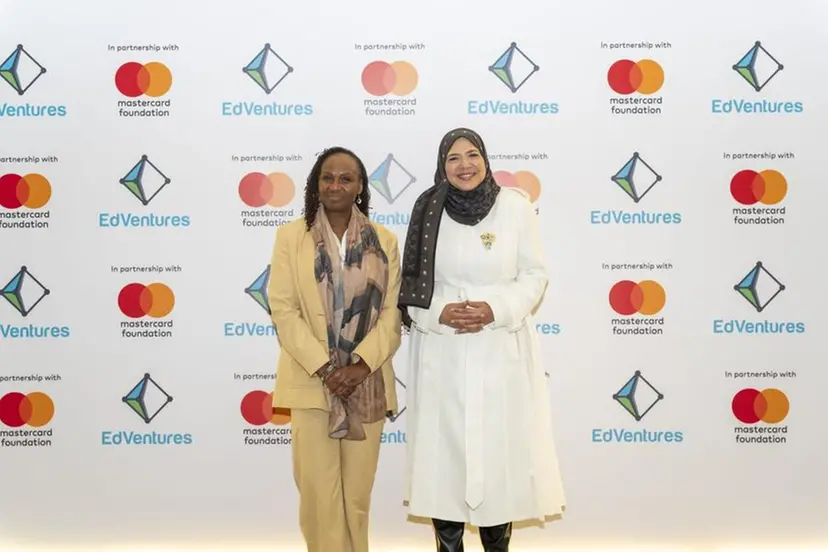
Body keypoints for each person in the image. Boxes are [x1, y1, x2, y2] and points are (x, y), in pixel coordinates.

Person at [398, 128, 566, 551]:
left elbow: (534, 275)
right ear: (442, 166)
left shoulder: (515, 207)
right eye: (453, 158)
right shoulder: (427, 209)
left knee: (499, 457)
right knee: (444, 461)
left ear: (486, 160)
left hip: (500, 347)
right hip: (442, 349)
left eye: (472, 155)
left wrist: (495, 309)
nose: (465, 165)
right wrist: (439, 312)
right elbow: (410, 286)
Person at [267, 146, 402, 552]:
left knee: (356, 499)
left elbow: (392, 314)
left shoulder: (385, 241)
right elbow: (284, 311)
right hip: (312, 383)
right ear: (316, 184)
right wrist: (326, 369)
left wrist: (359, 367)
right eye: (328, 177)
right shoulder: (291, 237)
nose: (336, 185)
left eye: (346, 178)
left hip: (367, 384)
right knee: (319, 498)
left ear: (361, 186)